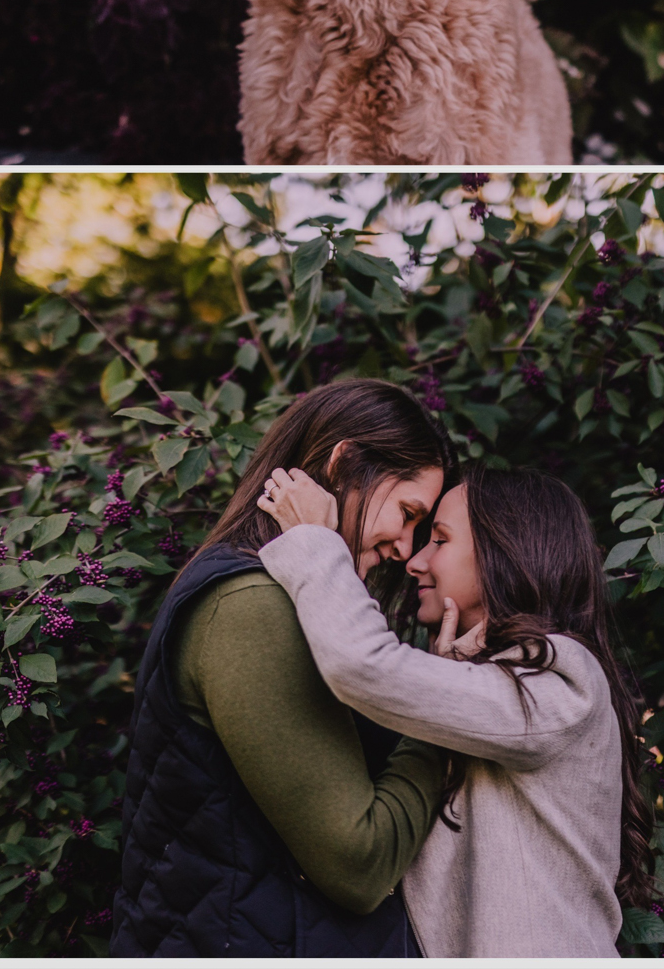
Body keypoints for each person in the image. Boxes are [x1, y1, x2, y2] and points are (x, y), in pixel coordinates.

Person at [110, 379, 453, 956]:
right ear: (343, 464)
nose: (406, 548)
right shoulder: (251, 608)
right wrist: (447, 716)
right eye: (408, 512)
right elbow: (359, 864)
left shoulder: (278, 601)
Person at [255, 463, 653, 959]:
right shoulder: (503, 687)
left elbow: (363, 666)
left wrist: (316, 541)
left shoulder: (563, 680)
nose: (414, 561)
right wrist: (454, 670)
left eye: (439, 540)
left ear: (503, 555)